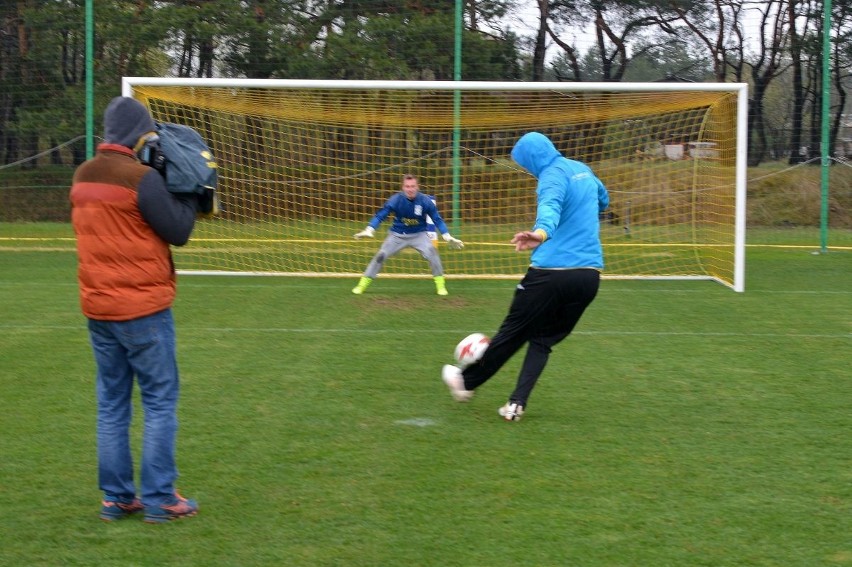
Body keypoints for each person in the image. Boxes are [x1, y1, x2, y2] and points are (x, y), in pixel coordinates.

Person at [70, 96, 200, 522]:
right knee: (160, 401)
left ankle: (116, 497)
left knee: (112, 404)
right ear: (137, 134)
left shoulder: (81, 177)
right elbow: (178, 231)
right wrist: (192, 191)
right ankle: (161, 499)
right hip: (143, 309)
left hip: (99, 309)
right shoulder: (140, 179)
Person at [442, 131, 610, 422]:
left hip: (550, 274)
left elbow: (550, 208)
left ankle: (464, 383)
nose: (526, 169)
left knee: (513, 332)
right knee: (542, 340)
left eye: (524, 163)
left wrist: (541, 233)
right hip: (589, 277)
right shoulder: (582, 168)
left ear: (533, 157)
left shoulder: (551, 176)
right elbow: (603, 200)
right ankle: (516, 405)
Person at [352, 174, 464, 295]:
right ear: (403, 187)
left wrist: (447, 236)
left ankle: (441, 286)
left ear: (417, 187)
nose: (410, 189)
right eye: (407, 186)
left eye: (412, 186)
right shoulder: (395, 200)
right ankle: (362, 285)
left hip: (419, 235)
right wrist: (370, 229)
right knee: (381, 255)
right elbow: (381, 215)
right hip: (397, 235)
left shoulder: (425, 201)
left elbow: (437, 219)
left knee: (433, 252)